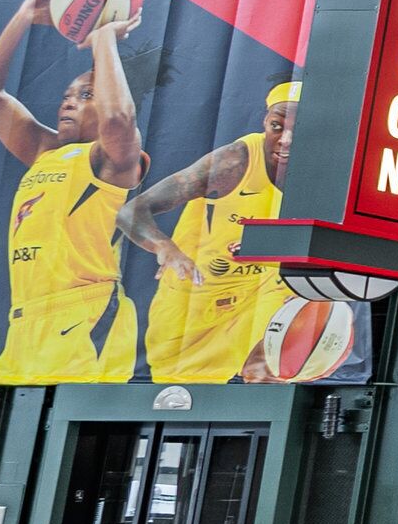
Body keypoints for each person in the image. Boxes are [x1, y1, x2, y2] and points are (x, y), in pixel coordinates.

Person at [0, 0, 153, 383]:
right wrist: (22, 17)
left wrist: (104, 40)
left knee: (65, 440)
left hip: (84, 313)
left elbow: (117, 117)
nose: (70, 103)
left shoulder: (113, 157)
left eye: (85, 95)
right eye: (67, 96)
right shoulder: (45, 149)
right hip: (25, 320)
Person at [126, 80, 294, 383]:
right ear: (265, 122)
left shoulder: (326, 163)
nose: (286, 139)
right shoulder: (234, 161)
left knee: (268, 373)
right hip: (197, 298)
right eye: (277, 126)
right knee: (175, 390)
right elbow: (133, 211)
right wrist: (166, 248)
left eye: (301, 128)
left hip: (264, 290)